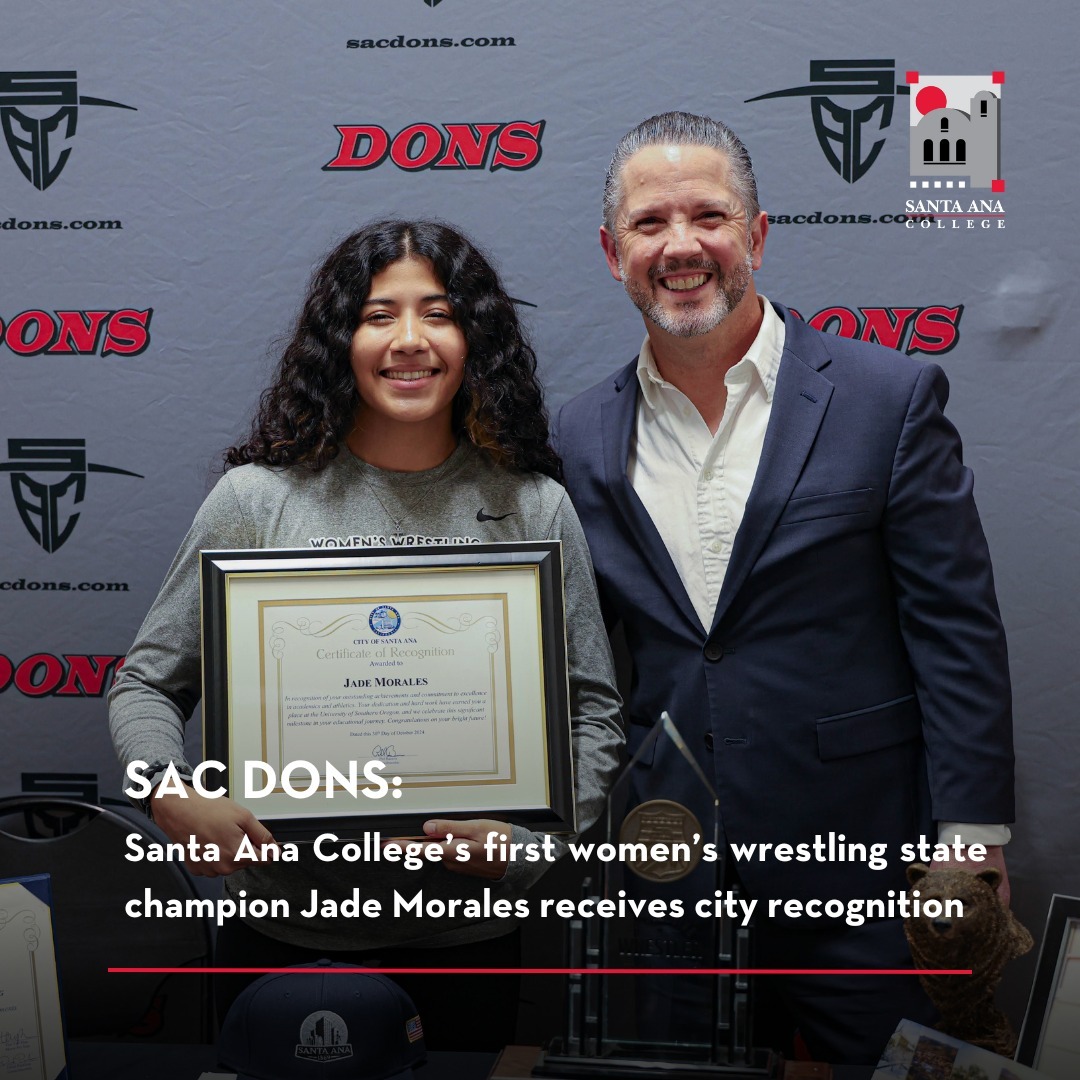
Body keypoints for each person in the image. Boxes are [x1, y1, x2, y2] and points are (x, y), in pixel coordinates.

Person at [555, 112, 1014, 1068]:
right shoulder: (579, 435)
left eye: (709, 215)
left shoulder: (888, 398)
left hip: (865, 875)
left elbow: (955, 630)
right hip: (669, 884)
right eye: (649, 224)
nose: (681, 245)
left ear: (758, 235)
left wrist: (968, 835)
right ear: (612, 252)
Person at [108, 219, 623, 1049]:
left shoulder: (533, 507)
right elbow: (146, 683)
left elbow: (593, 712)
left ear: (475, 339)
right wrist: (168, 791)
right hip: (282, 936)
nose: (410, 341)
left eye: (439, 313)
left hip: (469, 943)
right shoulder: (257, 501)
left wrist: (537, 847)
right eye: (379, 315)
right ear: (339, 340)